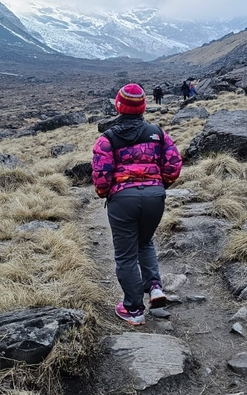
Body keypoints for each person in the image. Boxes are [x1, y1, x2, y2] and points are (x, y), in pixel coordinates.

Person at [91, 83, 183, 326]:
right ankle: (154, 287)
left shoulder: (107, 139)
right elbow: (174, 164)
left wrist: (106, 192)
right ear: (143, 106)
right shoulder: (158, 133)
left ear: (119, 106)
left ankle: (133, 309)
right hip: (154, 197)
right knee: (145, 242)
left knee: (125, 256)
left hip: (123, 200)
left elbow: (101, 176)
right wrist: (159, 185)